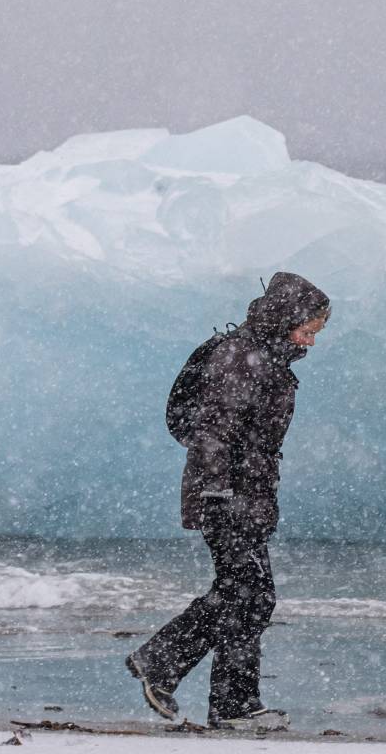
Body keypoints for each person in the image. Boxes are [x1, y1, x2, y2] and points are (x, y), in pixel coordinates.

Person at [127, 271, 332, 732]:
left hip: (247, 493)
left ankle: (217, 695)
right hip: (227, 495)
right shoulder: (242, 357)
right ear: (286, 319)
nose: (311, 341)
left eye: (315, 333)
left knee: (248, 595)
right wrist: (219, 493)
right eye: (308, 330)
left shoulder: (266, 358)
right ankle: (183, 674)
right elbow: (214, 430)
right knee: (249, 593)